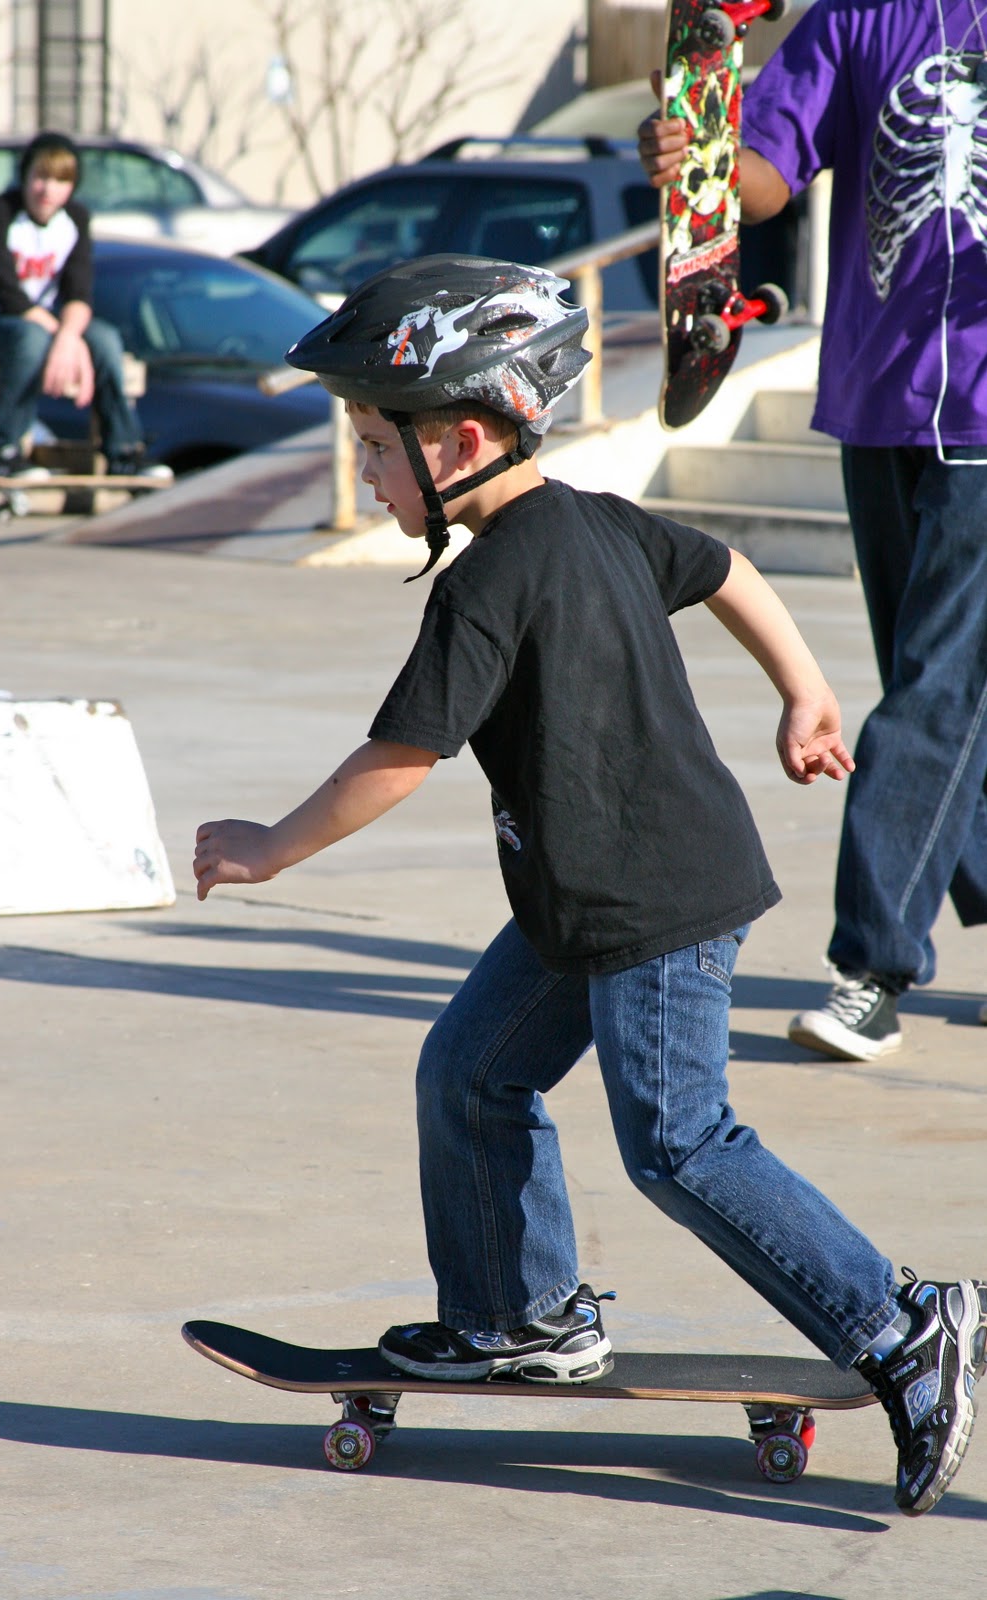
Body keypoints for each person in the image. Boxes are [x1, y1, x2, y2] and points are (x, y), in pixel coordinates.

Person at [193, 255, 985, 1516]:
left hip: (648, 904)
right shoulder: (597, 517)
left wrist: (268, 846)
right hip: (584, 898)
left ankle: (898, 1325)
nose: (365, 472)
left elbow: (400, 758)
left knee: (677, 1141)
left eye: (373, 447)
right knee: (469, 1073)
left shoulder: (487, 580)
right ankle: (524, 1316)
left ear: (456, 438)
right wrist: (803, 687)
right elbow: (724, 568)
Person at [638, 2, 987, 1063]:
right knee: (940, 688)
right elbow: (767, 176)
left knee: (933, 690)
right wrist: (698, 160)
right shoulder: (852, 19)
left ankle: (871, 966)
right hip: (877, 400)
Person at [0, 130, 169, 482]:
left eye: (60, 181)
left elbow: (79, 293)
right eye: (40, 178)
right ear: (25, 177)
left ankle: (124, 450)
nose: (48, 190)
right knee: (31, 339)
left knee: (105, 341)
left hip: (40, 323)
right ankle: (3, 450)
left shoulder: (74, 221)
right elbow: (9, 296)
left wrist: (70, 339)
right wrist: (67, 340)